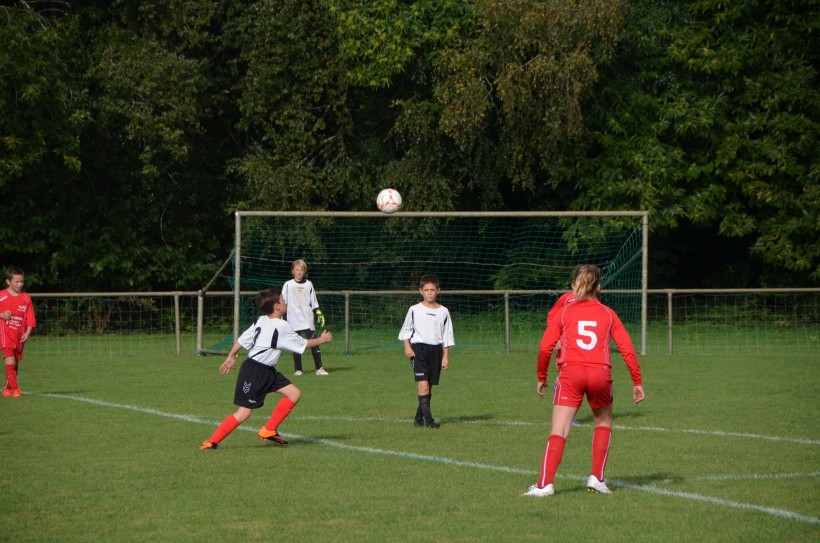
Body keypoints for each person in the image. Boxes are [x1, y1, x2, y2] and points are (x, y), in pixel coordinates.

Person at [524, 264, 644, 496]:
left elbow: (545, 347)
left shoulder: (565, 312)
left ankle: (544, 485)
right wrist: (636, 381)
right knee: (603, 423)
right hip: (601, 373)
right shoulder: (608, 314)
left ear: (573, 286)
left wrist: (541, 376)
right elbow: (627, 349)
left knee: (559, 429)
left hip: (571, 373)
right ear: (599, 287)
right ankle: (597, 478)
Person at [200, 287, 333, 450]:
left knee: (294, 394)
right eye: (283, 300)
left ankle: (269, 430)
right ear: (277, 305)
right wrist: (323, 339)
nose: (285, 302)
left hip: (268, 371)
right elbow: (303, 344)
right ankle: (211, 442)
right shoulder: (280, 326)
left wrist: (231, 356)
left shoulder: (261, 320)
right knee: (243, 413)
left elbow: (242, 340)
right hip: (254, 371)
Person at [398, 274, 455, 429]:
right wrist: (407, 346)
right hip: (419, 350)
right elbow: (406, 330)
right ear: (421, 291)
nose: (429, 293)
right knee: (423, 386)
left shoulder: (443, 311)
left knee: (429, 387)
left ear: (438, 291)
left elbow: (447, 335)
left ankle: (418, 417)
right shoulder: (414, 310)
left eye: (432, 290)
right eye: (426, 290)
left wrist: (445, 356)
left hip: (436, 351)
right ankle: (429, 421)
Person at [282, 259, 328, 376]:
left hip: (307, 320)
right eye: (297, 270)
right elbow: (283, 303)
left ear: (304, 271)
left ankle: (319, 368)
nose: (299, 272)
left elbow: (314, 302)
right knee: (296, 345)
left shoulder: (309, 284)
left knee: (315, 343)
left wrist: (318, 313)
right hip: (293, 321)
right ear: (293, 271)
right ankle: (298, 370)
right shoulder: (288, 284)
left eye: (301, 270)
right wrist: (281, 318)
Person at [1, 266, 36, 397]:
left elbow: (30, 318)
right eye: (17, 281)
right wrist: (2, 315)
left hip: (19, 335)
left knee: (15, 362)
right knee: (9, 358)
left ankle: (7, 387)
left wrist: (27, 333)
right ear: (8, 281)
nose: (20, 284)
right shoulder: (1, 295)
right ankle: (16, 389)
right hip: (5, 333)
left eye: (21, 281)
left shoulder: (26, 298)